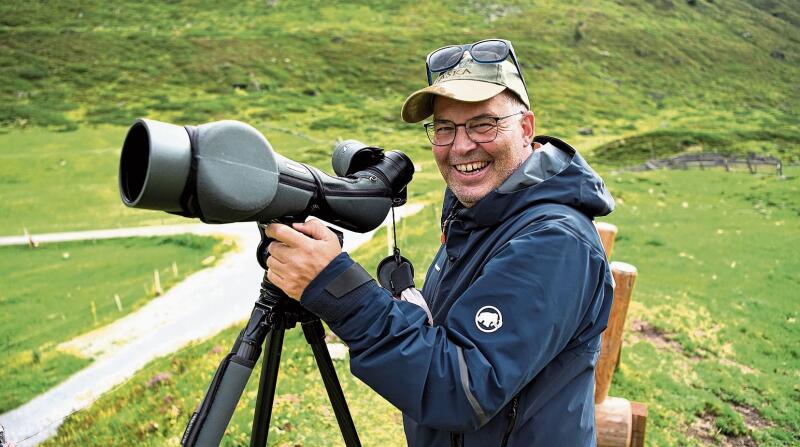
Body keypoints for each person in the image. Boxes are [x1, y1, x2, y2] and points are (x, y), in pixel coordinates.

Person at [264, 39, 615, 446]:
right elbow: (443, 340)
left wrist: (340, 289)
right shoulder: (479, 216)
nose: (461, 146)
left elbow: (462, 389)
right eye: (445, 128)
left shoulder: (554, 242)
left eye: (483, 124)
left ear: (526, 127)